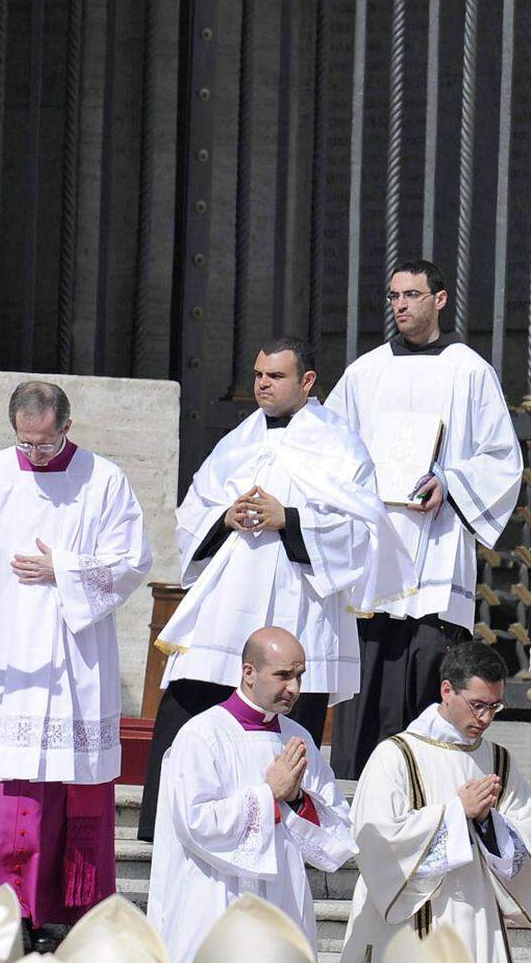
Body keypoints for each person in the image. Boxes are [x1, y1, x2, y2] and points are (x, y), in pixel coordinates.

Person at [139, 336, 412, 842]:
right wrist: (225, 517)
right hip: (228, 603)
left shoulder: (339, 445)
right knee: (188, 699)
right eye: (259, 374)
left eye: (276, 376)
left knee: (286, 714)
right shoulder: (236, 442)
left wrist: (288, 519)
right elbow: (192, 513)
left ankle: (284, 831)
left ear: (307, 382)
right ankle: (168, 827)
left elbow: (365, 530)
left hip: (298, 601)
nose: (263, 383)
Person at [0, 381, 152, 947]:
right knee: (0, 790)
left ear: (66, 427)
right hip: (2, 656)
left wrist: (64, 570)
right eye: (25, 442)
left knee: (61, 787)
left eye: (45, 443)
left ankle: (56, 908)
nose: (34, 454)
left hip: (73, 659)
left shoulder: (104, 479)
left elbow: (133, 560)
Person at [325, 640, 531, 963]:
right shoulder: (397, 754)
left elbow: (522, 842)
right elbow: (375, 843)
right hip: (412, 927)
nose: (486, 718)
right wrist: (454, 816)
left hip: (477, 929)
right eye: (477, 704)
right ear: (447, 691)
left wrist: (488, 827)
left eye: (495, 706)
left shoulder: (500, 760)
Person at [326, 259, 522, 779]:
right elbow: (330, 448)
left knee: (426, 668)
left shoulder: (469, 370)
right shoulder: (364, 373)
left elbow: (501, 456)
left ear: (439, 299)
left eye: (412, 295)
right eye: (394, 297)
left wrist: (451, 481)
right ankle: (356, 793)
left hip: (435, 548)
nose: (401, 306)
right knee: (367, 675)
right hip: (375, 552)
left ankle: (424, 788)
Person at [146, 628, 355, 963]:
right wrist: (268, 793)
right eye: (283, 675)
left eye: (299, 675)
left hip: (280, 906)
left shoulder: (297, 738)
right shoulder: (200, 735)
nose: (294, 689)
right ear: (248, 672)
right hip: (212, 906)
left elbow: (336, 838)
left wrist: (296, 799)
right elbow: (196, 823)